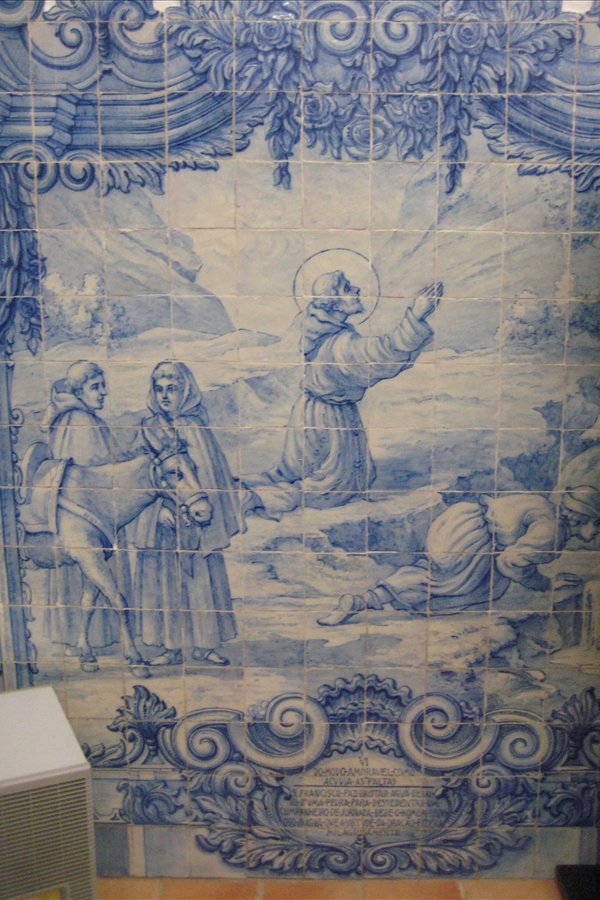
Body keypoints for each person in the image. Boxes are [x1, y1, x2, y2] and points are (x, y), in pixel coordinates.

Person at [250, 272, 442, 513]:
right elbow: (383, 353)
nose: (357, 290)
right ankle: (258, 499)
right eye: (347, 288)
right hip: (329, 421)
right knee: (329, 488)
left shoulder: (323, 332)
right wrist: (416, 316)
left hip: (312, 412)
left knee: (297, 475)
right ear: (335, 303)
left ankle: (254, 491)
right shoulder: (340, 344)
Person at [319, 486, 600, 625]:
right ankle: (361, 601)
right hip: (475, 541)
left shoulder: (544, 507)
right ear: (582, 517)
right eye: (597, 524)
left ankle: (364, 601)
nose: (597, 532)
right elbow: (509, 562)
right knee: (437, 581)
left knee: (432, 575)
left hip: (464, 519)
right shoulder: (552, 534)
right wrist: (545, 584)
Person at [132, 361, 241, 666]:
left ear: (186, 391)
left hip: (198, 528)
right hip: (162, 529)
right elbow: (136, 481)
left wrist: (202, 512)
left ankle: (205, 645)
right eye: (159, 389)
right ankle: (171, 648)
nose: (165, 396)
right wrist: (155, 511)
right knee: (165, 584)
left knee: (201, 583)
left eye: (172, 389)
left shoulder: (197, 429)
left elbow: (213, 478)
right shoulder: (146, 430)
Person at [43, 361, 121, 661]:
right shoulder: (81, 422)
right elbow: (99, 473)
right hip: (84, 518)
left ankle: (79, 640)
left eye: (103, 386)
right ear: (78, 391)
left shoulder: (75, 418)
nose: (103, 393)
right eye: (95, 387)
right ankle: (90, 641)